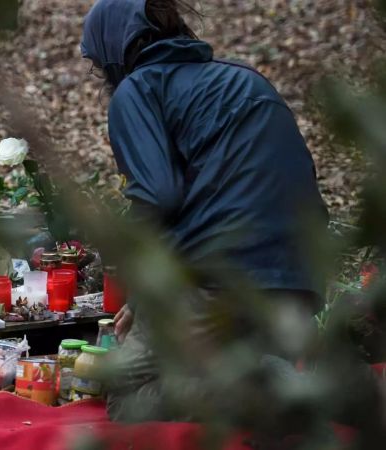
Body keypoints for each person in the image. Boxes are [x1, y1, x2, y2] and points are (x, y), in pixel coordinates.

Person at [79, 0, 329, 423]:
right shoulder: (241, 79)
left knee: (127, 402)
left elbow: (158, 197)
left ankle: (284, 387)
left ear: (113, 51)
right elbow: (216, 197)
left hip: (221, 275)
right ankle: (276, 382)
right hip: (298, 277)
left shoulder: (138, 89)